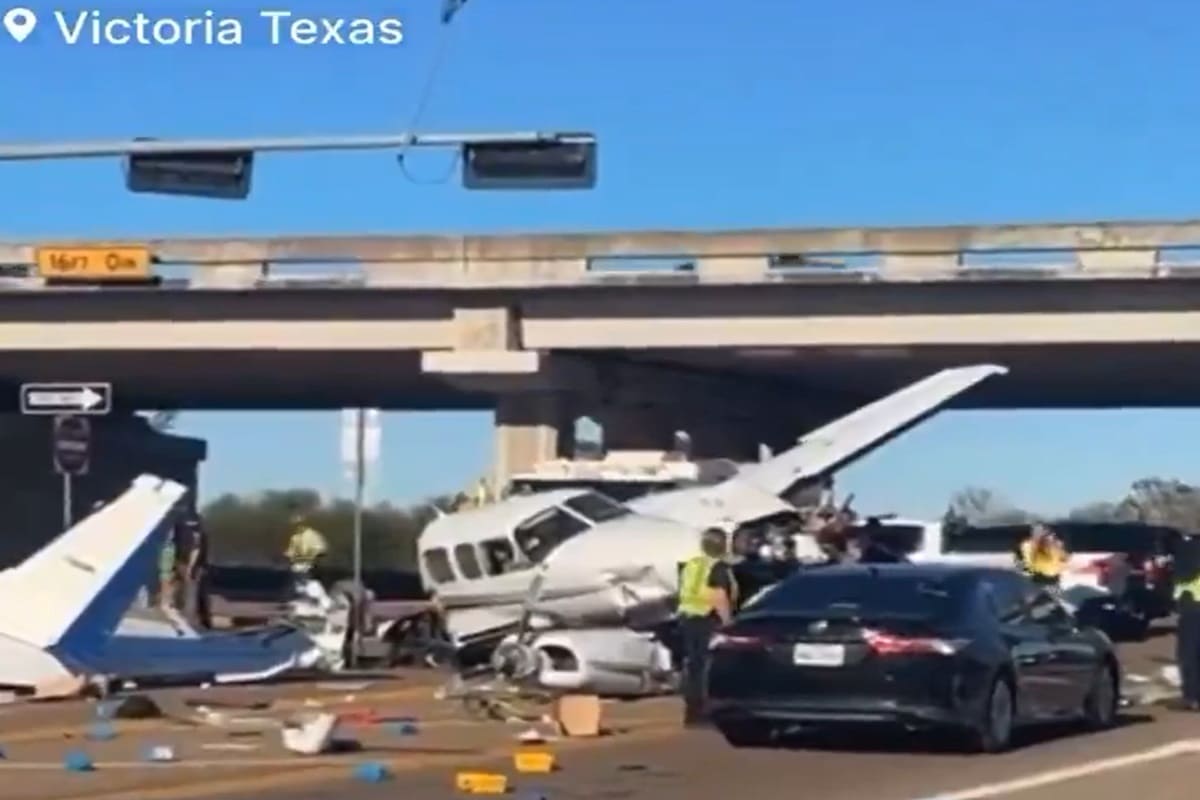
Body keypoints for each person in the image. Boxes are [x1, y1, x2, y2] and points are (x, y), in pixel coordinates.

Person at [676, 527, 738, 728]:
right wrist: (728, 622)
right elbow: (718, 596)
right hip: (707, 619)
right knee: (706, 667)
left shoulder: (691, 565)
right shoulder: (718, 568)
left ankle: (692, 712)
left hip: (687, 618)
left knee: (693, 666)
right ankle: (704, 711)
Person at [1170, 534, 1200, 711]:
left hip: (1191, 608)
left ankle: (1192, 696)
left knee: (1189, 655)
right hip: (1191, 606)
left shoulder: (1187, 551)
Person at [181, 511, 212, 629]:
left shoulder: (197, 535)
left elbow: (196, 550)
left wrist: (190, 567)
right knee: (198, 593)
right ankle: (202, 620)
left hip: (196, 566)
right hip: (200, 566)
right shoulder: (202, 534)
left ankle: (189, 620)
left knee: (191, 592)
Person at [284, 512, 329, 580]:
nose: (297, 526)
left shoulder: (313, 534)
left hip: (311, 566)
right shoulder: (295, 537)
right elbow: (290, 552)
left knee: (310, 582)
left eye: (299, 524)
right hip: (298, 565)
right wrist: (288, 555)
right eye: (295, 524)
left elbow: (321, 550)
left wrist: (311, 557)